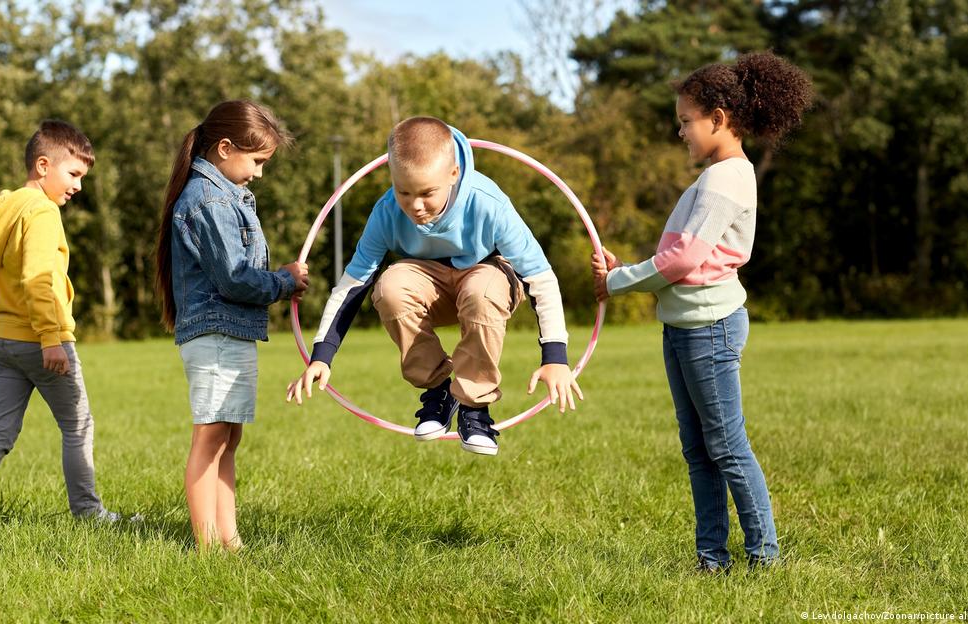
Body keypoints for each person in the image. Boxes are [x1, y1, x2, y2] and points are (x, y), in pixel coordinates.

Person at [593, 52, 812, 572]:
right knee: (699, 449)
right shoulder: (719, 176)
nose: (681, 133)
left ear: (718, 118)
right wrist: (627, 271)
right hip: (686, 325)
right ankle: (712, 559)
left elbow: (684, 259)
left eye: (686, 122)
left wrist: (616, 282)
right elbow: (686, 257)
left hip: (708, 329)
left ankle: (764, 556)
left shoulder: (724, 179)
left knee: (726, 445)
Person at [286, 116, 583, 456]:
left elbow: (540, 277)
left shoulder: (489, 203)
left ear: (453, 174)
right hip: (430, 285)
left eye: (427, 193)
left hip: (490, 278)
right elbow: (354, 283)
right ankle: (439, 390)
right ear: (392, 178)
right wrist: (322, 357)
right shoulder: (385, 212)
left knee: (480, 290)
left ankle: (474, 406)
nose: (415, 205)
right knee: (389, 286)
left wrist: (556, 357)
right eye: (404, 192)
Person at [0, 120, 119, 530]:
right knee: (77, 425)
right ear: (43, 166)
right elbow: (39, 279)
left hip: (3, 340)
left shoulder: (5, 209)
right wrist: (51, 338)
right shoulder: (42, 212)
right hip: (42, 340)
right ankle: (89, 513)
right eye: (73, 174)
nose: (78, 186)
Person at [154, 100, 308, 550]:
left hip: (229, 331)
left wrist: (278, 278)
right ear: (225, 148)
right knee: (211, 436)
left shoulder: (222, 195)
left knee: (228, 435)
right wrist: (283, 281)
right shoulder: (209, 200)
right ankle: (207, 543)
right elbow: (235, 278)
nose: (259, 173)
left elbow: (236, 271)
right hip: (216, 333)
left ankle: (229, 538)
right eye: (257, 161)